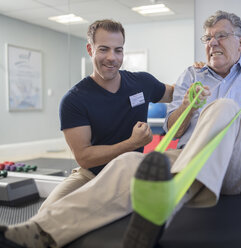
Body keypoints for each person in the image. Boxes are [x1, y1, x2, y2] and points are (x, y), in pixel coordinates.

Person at [1, 11, 241, 248]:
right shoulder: (191, 75)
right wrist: (186, 104)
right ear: (91, 51)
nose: (213, 43)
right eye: (208, 38)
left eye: (221, 36)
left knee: (223, 107)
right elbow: (173, 131)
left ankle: (165, 205)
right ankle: (38, 232)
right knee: (129, 162)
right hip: (168, 161)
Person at [0, 19, 173, 248]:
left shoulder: (141, 82)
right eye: (104, 49)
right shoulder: (74, 100)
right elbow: (84, 157)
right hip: (90, 174)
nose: (112, 57)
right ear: (90, 49)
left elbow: (174, 93)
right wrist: (132, 143)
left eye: (118, 50)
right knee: (42, 220)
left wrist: (198, 76)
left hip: (129, 172)